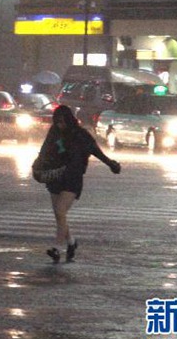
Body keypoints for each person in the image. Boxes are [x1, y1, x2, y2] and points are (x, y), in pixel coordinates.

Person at [35, 104, 121, 263]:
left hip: (73, 178)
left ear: (69, 120)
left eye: (62, 122)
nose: (59, 125)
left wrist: (111, 164)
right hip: (56, 177)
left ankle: (57, 248)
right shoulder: (54, 132)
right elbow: (45, 150)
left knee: (60, 211)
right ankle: (71, 242)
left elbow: (96, 151)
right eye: (57, 122)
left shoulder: (80, 135)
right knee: (59, 215)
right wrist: (38, 164)